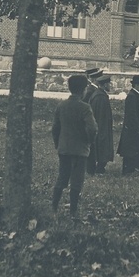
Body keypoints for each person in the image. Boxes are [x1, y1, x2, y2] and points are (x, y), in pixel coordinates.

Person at [51, 74, 98, 217]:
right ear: (83, 90)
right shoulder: (85, 107)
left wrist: (58, 144)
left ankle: (53, 207)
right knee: (77, 181)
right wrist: (89, 141)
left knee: (62, 178)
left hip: (64, 148)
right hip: (80, 150)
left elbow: (55, 128)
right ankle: (73, 211)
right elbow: (92, 128)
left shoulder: (61, 105)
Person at [117, 75, 139, 175]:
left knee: (134, 148)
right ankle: (127, 170)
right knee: (129, 150)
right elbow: (132, 114)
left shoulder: (137, 95)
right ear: (136, 85)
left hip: (135, 127)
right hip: (132, 128)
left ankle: (133, 168)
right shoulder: (132, 96)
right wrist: (138, 126)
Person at [86, 74, 114, 175]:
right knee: (101, 148)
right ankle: (99, 169)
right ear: (105, 84)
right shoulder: (100, 97)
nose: (110, 85)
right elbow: (101, 115)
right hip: (102, 127)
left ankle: (95, 168)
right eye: (109, 83)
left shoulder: (99, 94)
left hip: (101, 126)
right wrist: (102, 130)